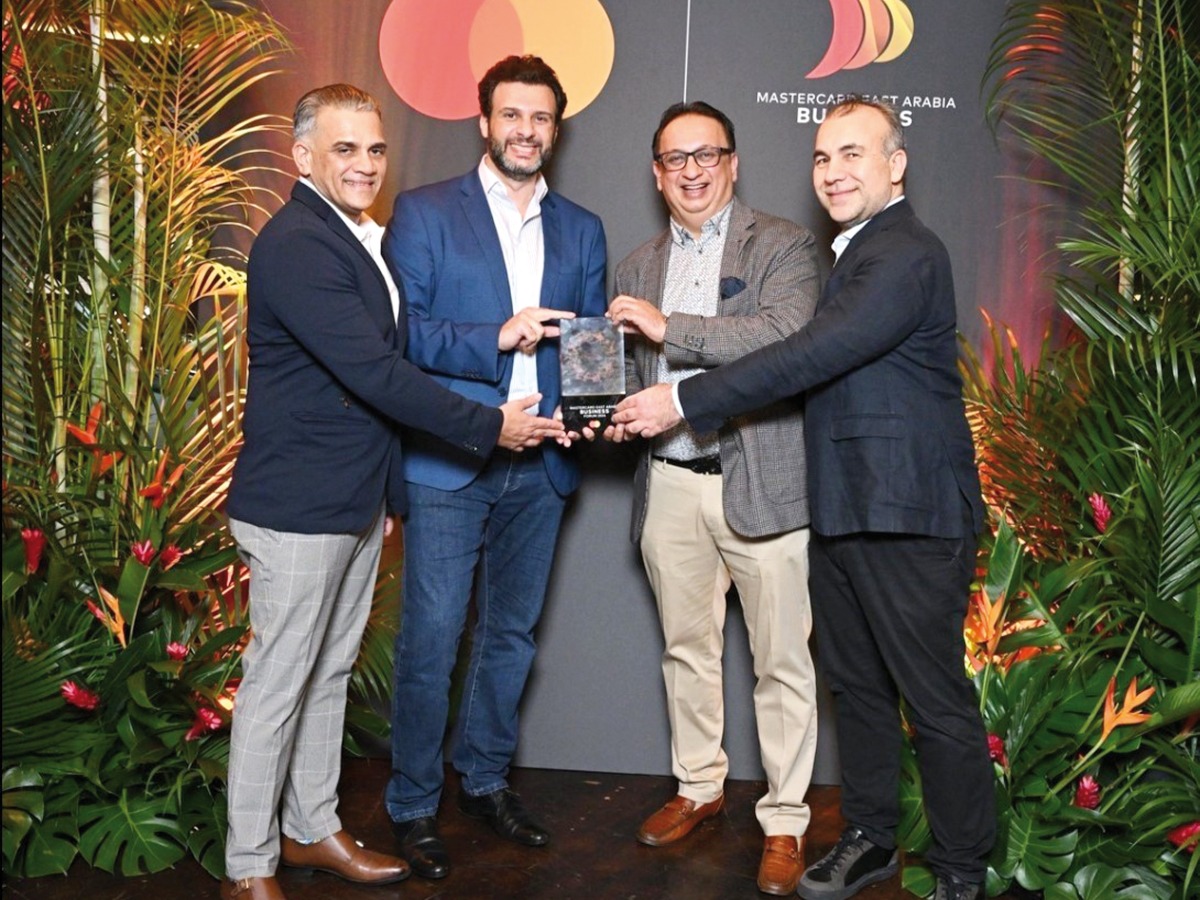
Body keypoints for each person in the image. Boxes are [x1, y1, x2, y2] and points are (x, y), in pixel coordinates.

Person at [611, 97, 995, 900]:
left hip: (908, 512)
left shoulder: (905, 255)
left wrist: (683, 400)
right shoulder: (856, 251)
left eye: (854, 154)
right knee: (857, 689)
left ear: (896, 165)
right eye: (823, 157)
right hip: (846, 506)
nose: (833, 171)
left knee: (933, 702)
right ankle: (870, 837)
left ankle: (961, 872)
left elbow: (808, 353)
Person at [223, 83, 563, 900]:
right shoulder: (298, 244)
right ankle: (247, 866)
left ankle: (311, 829)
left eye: (375, 149)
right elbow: (377, 373)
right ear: (302, 156)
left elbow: (384, 358)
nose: (366, 164)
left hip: (350, 498)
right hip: (299, 504)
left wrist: (494, 339)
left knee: (328, 672)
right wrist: (489, 426)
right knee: (278, 683)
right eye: (345, 149)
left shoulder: (350, 237)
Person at [381, 55, 607, 880]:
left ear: (557, 128)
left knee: (509, 636)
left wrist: (588, 417)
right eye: (512, 115)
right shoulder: (424, 212)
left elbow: (589, 345)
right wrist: (497, 337)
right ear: (484, 122)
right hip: (452, 459)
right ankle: (412, 803)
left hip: (540, 465)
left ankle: (483, 781)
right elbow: (401, 334)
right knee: (434, 638)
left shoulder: (582, 228)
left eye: (541, 117)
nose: (526, 130)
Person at [606, 101, 821, 896]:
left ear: (733, 162)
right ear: (656, 173)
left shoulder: (785, 246)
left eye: (706, 154)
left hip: (760, 479)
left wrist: (670, 326)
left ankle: (786, 819)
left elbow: (784, 336)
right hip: (668, 481)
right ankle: (698, 786)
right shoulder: (636, 266)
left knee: (781, 661)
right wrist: (603, 412)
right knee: (686, 650)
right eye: (675, 158)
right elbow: (628, 375)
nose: (691, 170)